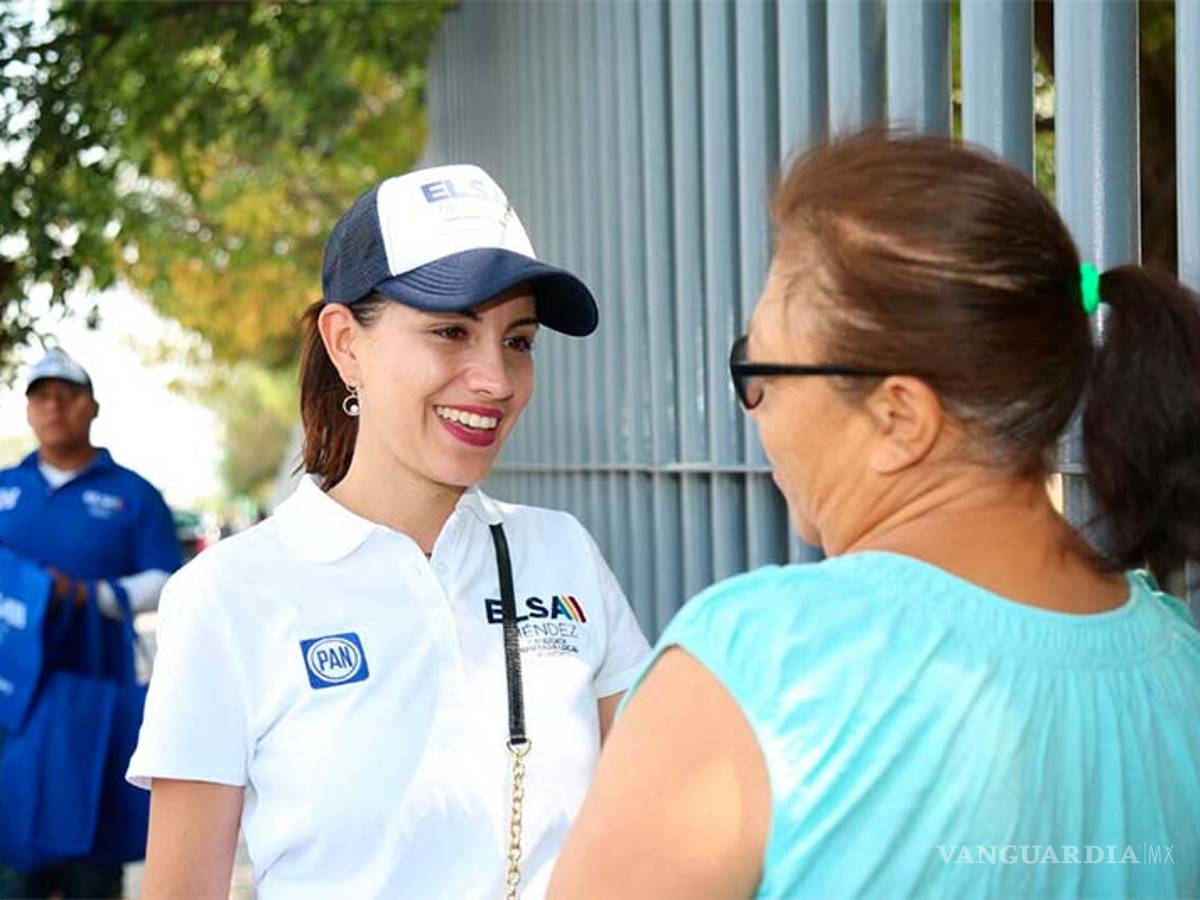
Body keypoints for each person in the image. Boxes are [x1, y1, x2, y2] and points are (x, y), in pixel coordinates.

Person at [550, 132, 1200, 898]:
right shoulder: (1180, 662)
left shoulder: (759, 667)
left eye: (758, 371)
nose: (752, 411)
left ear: (899, 418)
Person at [128, 164, 652, 899]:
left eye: (519, 341)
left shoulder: (562, 552)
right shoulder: (227, 594)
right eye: (450, 331)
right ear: (346, 345)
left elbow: (652, 821)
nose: (496, 380)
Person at [0, 348, 182, 900]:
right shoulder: (5, 487)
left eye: (66, 395)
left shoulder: (133, 495)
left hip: (93, 699)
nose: (52, 407)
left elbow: (168, 580)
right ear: (28, 411)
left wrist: (92, 594)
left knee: (90, 865)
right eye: (40, 397)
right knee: (14, 864)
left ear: (91, 407)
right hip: (13, 706)